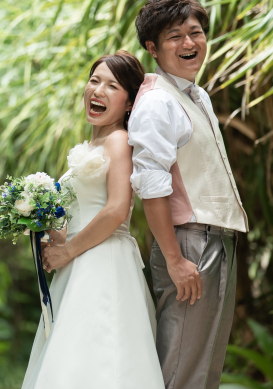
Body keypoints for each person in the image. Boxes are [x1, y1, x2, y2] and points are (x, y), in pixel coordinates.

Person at [22, 50, 165, 389]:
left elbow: (116, 209)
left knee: (99, 360)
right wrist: (46, 228)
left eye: (112, 86)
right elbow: (79, 213)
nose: (97, 91)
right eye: (94, 81)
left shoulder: (118, 140)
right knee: (72, 360)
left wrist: (68, 251)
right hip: (79, 262)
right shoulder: (93, 143)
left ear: (130, 103)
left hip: (104, 262)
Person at [128, 0, 249, 389]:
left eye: (195, 33)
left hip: (214, 240)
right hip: (188, 244)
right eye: (174, 36)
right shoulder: (158, 102)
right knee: (180, 369)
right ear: (152, 48)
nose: (189, 43)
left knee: (203, 368)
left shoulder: (196, 96)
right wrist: (176, 259)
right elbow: (152, 186)